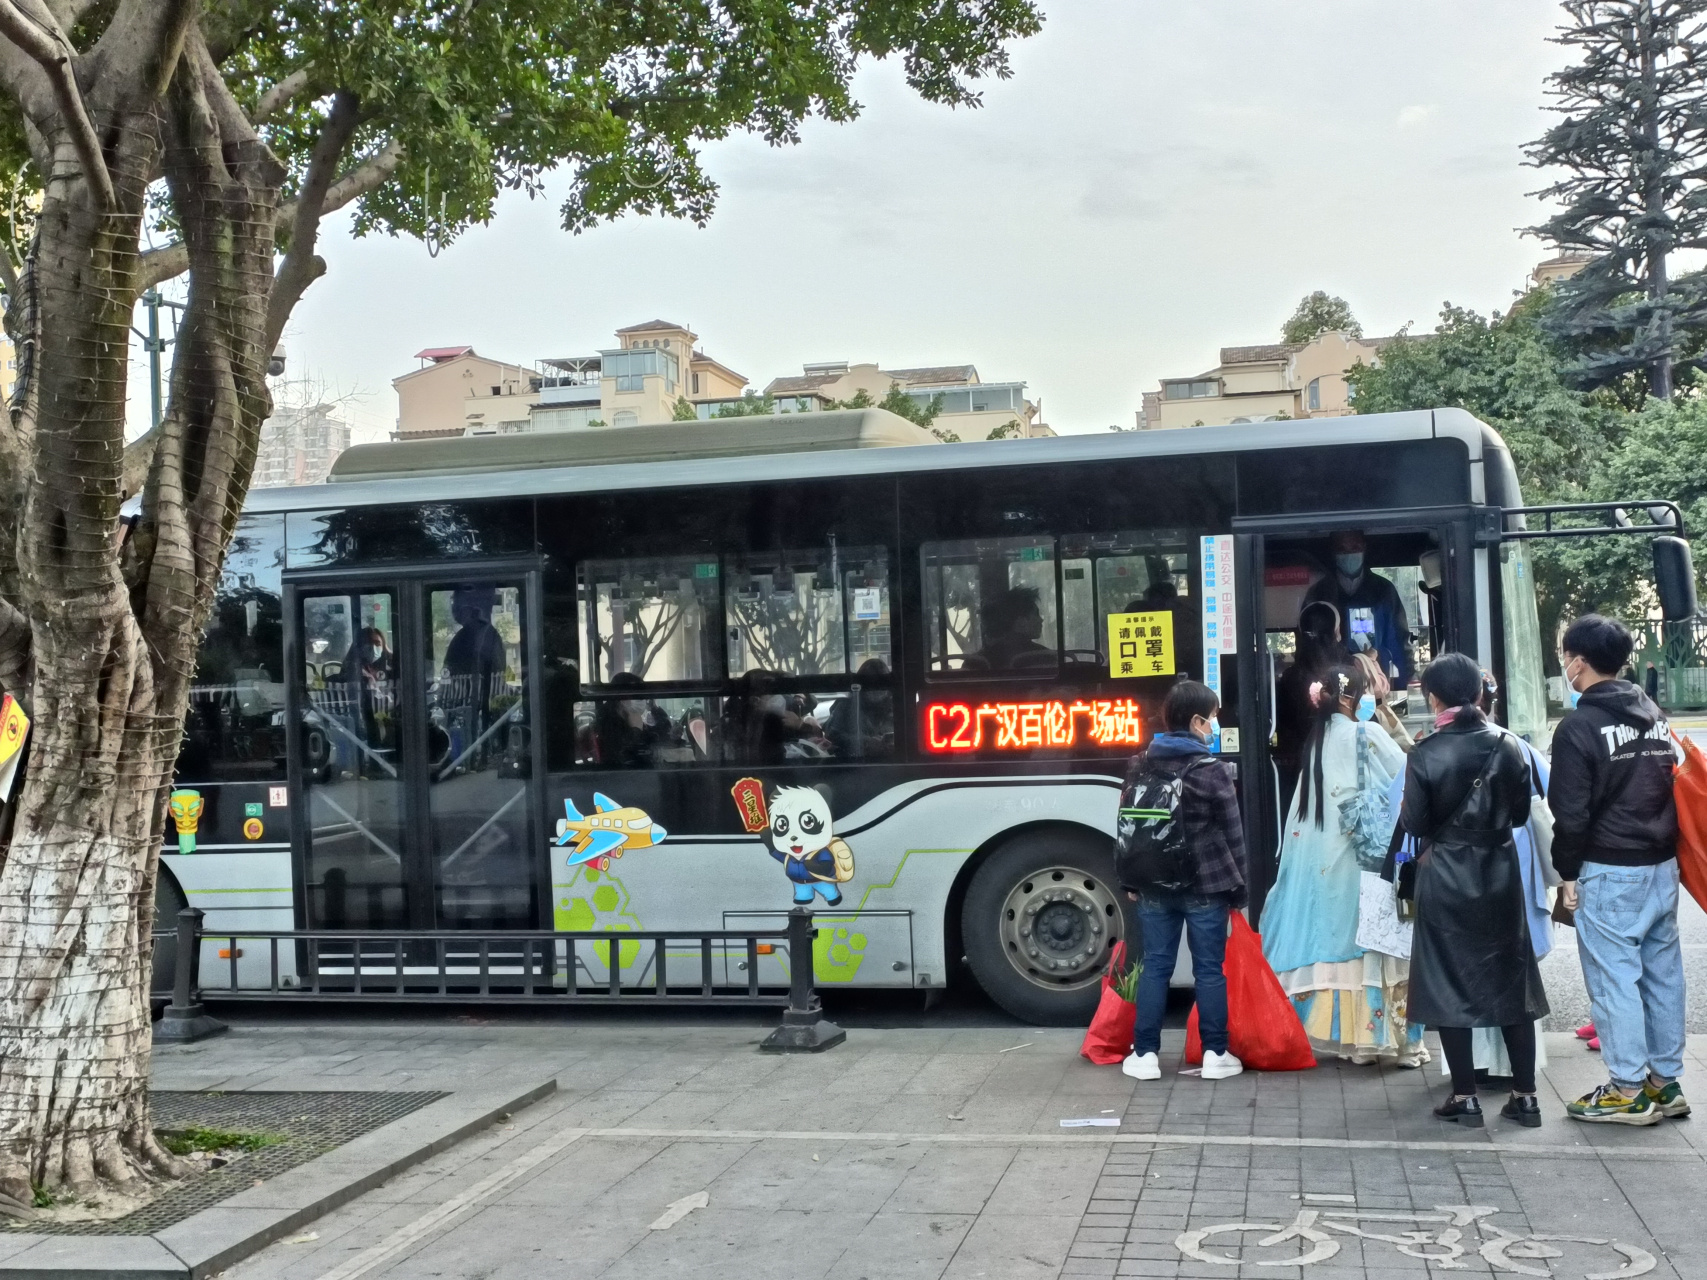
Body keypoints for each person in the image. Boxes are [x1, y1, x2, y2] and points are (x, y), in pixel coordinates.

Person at [1550, 614, 1688, 1126]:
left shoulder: (1579, 728)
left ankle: (1627, 1088)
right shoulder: (1652, 713)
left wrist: (1567, 872)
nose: (1565, 664)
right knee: (1661, 974)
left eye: (1566, 655)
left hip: (1609, 867)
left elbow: (1570, 813)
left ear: (1579, 662)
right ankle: (1664, 1082)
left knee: (1614, 981)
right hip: (1661, 863)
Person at [1401, 652, 1547, 1128]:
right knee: (1513, 981)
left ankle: (1465, 1098)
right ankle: (1525, 1098)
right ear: (1481, 693)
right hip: (1500, 873)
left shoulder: (1424, 752)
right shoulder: (1510, 746)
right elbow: (1522, 815)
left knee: (1447, 981)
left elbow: (1417, 823)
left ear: (1433, 696)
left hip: (1445, 875)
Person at [1261, 663, 1420, 1064]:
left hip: (1321, 858)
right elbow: (1407, 776)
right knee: (1378, 942)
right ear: (1350, 698)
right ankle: (1396, 1043)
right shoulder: (1365, 733)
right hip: (1363, 854)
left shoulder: (1317, 739)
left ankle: (1354, 1044)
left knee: (1340, 945)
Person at [1120, 680, 1247, 1082]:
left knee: (1156, 966)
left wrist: (1130, 878)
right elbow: (1233, 833)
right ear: (1195, 721)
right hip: (1206, 886)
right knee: (1209, 970)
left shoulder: (1140, 763)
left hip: (1154, 884)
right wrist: (1240, 886)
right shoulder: (1212, 772)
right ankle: (1215, 1054)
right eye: (1212, 717)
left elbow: (1126, 827)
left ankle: (1145, 1056)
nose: (1215, 724)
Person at [1303, 531, 1414, 689]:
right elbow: (1309, 644)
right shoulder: (1319, 593)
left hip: (1375, 681)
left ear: (1364, 547)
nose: (1349, 554)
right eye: (1342, 549)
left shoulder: (1384, 590)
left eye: (1355, 547)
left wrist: (1404, 683)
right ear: (1333, 551)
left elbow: (1399, 641)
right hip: (1331, 684)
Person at [1274, 601, 1351, 812]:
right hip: (1345, 763)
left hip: (1302, 763)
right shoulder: (1349, 671)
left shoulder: (1291, 676)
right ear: (1336, 632)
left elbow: (1282, 724)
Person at [975, 586, 1052, 669]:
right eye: (1036, 614)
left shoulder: (975, 662)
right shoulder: (1043, 657)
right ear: (1020, 622)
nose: (1041, 620)